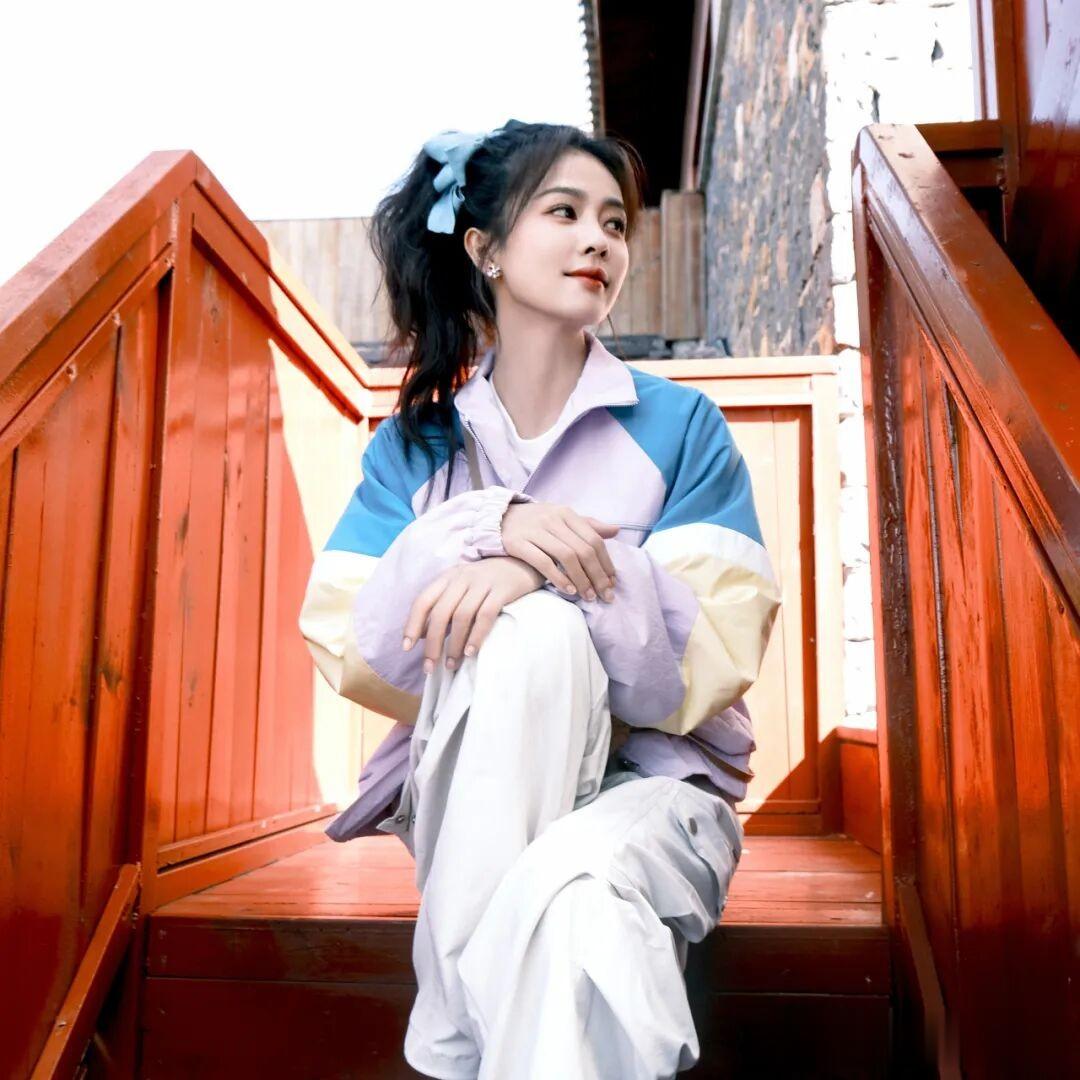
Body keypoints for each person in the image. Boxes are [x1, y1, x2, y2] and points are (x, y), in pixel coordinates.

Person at [298, 118, 781, 1080]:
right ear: (485, 249)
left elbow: (703, 667)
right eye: (564, 212)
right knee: (525, 649)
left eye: (615, 222)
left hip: (654, 796)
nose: (599, 239)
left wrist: (538, 568)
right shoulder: (416, 449)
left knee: (575, 894)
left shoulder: (683, 426)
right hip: (475, 791)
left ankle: (450, 1044)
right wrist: (492, 525)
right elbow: (353, 642)